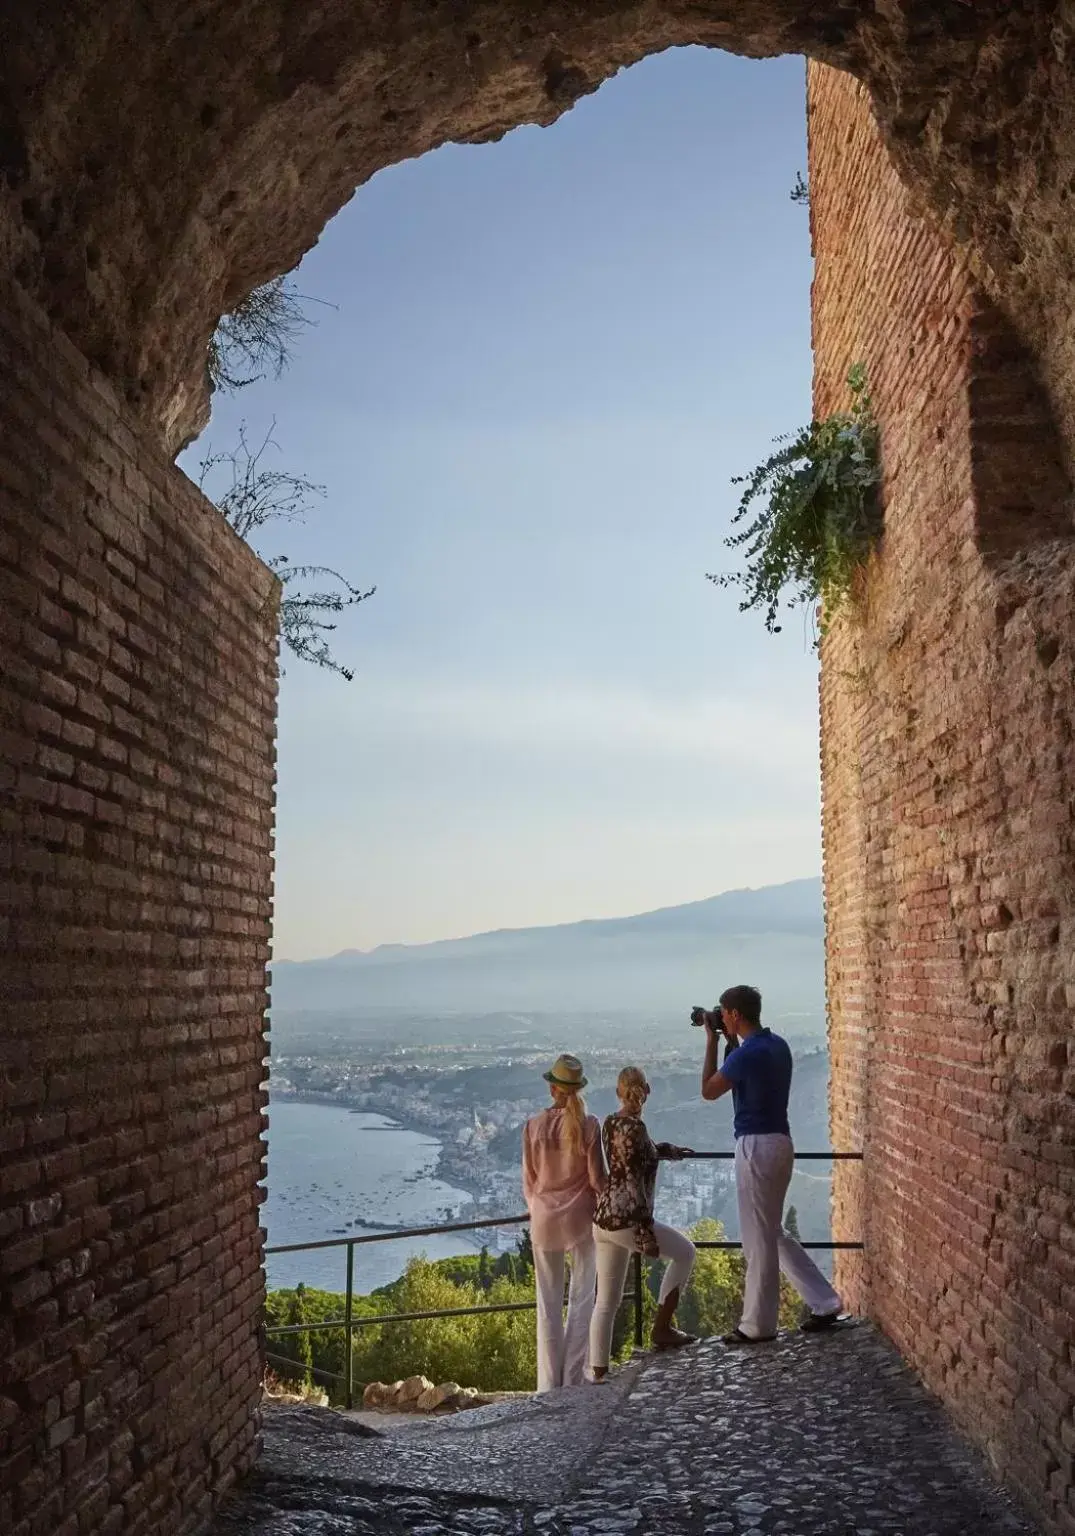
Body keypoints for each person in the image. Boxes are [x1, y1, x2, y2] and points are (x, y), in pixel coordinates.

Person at [698, 984, 843, 1344]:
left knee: (757, 1239)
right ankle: (825, 1302)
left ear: (733, 1014)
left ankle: (757, 1325)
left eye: (724, 1013)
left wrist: (712, 1041)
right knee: (773, 1232)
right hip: (781, 1141)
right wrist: (729, 1040)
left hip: (756, 1145)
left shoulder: (746, 1054)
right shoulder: (777, 1046)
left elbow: (709, 1090)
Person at [589, 1066, 697, 1380]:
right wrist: (646, 1230)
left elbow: (629, 1161)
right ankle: (662, 1327)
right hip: (628, 1221)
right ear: (646, 1090)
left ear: (618, 1092)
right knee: (685, 1253)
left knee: (606, 1301)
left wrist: (665, 1150)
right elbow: (635, 1181)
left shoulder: (611, 1122)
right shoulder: (636, 1127)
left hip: (603, 1220)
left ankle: (599, 1372)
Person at [521, 1053, 606, 1393]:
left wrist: (540, 1206)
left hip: (544, 1219)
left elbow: (529, 1181)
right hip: (582, 1219)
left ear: (553, 1088)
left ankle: (547, 1385)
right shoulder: (590, 1125)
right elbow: (598, 1179)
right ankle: (574, 1379)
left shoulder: (533, 1126)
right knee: (583, 1298)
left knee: (548, 1303)